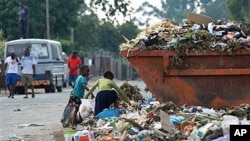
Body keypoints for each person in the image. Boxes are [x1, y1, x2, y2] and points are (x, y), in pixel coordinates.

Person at [61, 65, 93, 129]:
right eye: (87, 71)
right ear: (82, 71)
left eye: (88, 72)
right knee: (74, 109)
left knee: (71, 108)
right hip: (76, 96)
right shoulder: (83, 78)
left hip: (73, 95)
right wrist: (91, 93)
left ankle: (67, 121)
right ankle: (69, 123)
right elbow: (84, 86)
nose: (88, 73)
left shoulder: (79, 77)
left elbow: (74, 85)